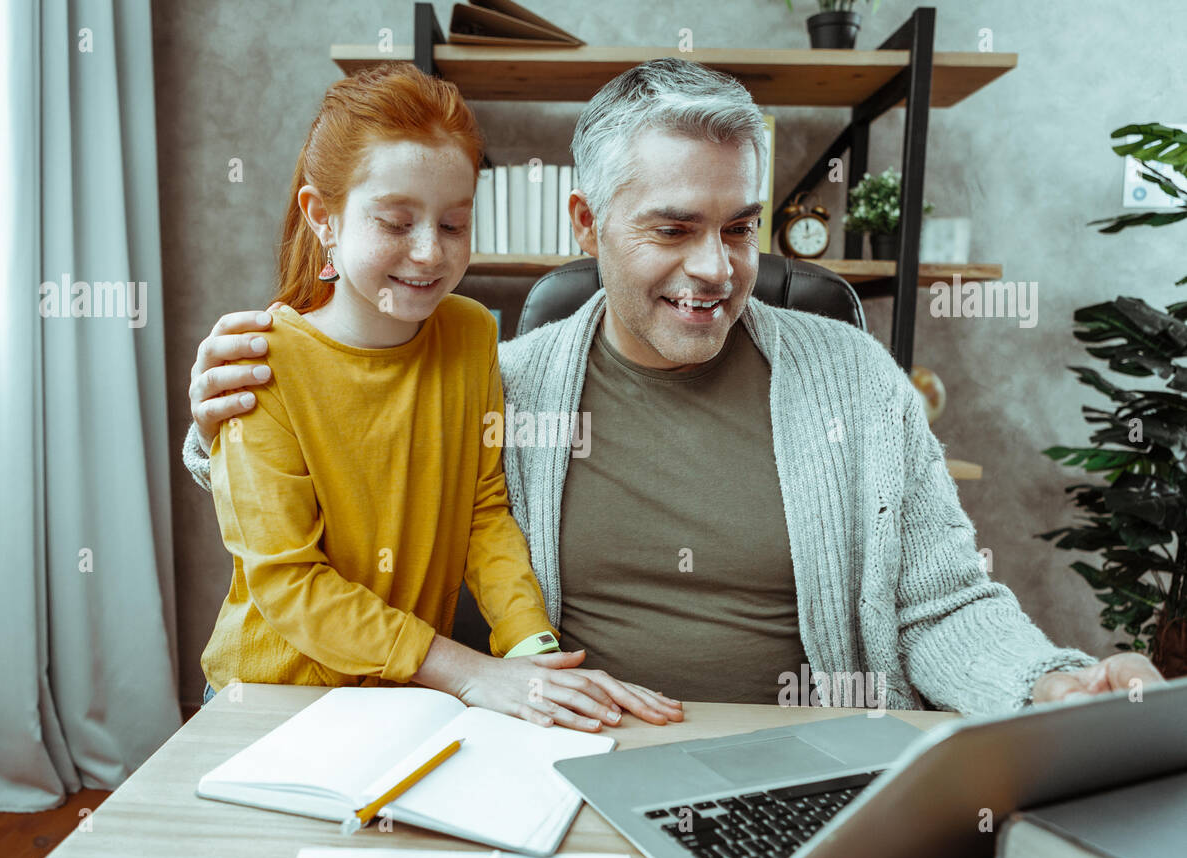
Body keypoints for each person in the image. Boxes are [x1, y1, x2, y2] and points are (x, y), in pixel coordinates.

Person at [185, 58, 1163, 714]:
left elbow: (939, 604)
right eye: (671, 228)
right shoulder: (505, 382)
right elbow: (355, 467)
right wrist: (215, 423)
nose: (715, 268)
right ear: (584, 224)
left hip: (809, 758)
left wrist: (1049, 682)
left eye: (738, 227)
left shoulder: (853, 382)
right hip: (579, 756)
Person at [198, 61, 683, 732]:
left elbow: (483, 513)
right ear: (324, 218)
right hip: (275, 698)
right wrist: (471, 671)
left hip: (408, 695)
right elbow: (289, 583)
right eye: (396, 224)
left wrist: (530, 649)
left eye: (453, 225)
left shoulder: (470, 332)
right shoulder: (260, 362)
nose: (429, 254)